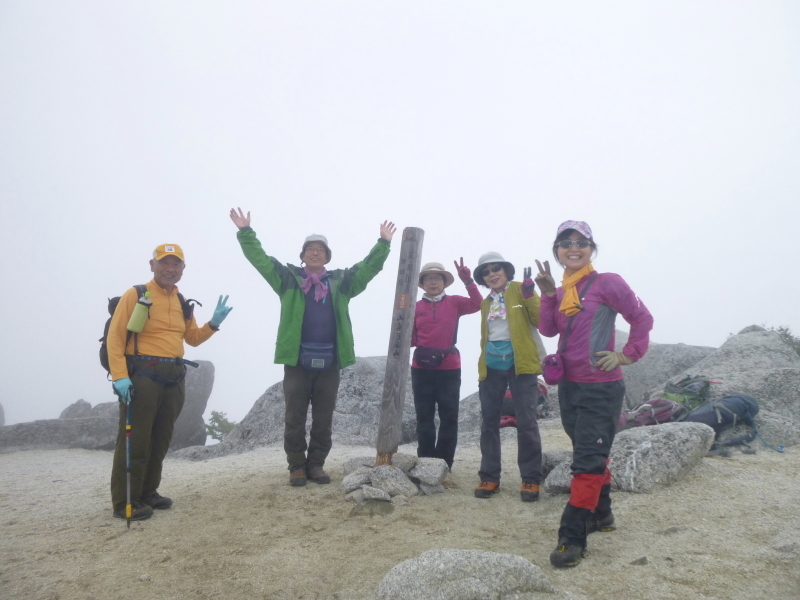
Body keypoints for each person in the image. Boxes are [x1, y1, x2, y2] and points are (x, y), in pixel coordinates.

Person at [230, 208, 395, 486]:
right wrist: (246, 232)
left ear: (327, 256)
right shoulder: (288, 278)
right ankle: (296, 466)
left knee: (323, 419)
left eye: (320, 250)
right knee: (294, 417)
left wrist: (383, 244)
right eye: (310, 249)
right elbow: (260, 261)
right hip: (296, 360)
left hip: (330, 362)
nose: (315, 253)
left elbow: (368, 269)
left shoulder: (341, 282)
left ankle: (316, 465)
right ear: (303, 255)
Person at [535, 220, 653, 568]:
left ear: (591, 248)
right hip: (571, 386)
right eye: (565, 242)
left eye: (581, 242)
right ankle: (602, 514)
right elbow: (548, 328)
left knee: (586, 460)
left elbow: (642, 318)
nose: (573, 247)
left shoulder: (608, 282)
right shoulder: (564, 289)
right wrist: (546, 294)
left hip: (601, 388)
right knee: (589, 452)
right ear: (557, 251)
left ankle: (572, 537)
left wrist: (627, 354)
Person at [107, 244, 232, 521]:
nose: (170, 268)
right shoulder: (136, 294)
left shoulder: (181, 301)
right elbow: (116, 338)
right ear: (152, 265)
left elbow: (192, 338)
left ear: (183, 270)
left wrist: (213, 323)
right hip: (142, 376)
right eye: (165, 263)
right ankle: (125, 502)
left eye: (176, 264)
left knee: (160, 439)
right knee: (136, 440)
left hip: (173, 377)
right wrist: (120, 376)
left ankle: (148, 491)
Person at [473, 251, 545, 502]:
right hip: (492, 366)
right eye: (486, 271)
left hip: (521, 364)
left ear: (506, 271)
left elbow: (539, 320)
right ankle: (490, 476)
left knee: (527, 421)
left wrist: (529, 294)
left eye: (496, 269)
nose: (492, 274)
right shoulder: (485, 303)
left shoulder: (519, 290)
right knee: (489, 423)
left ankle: (530, 479)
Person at [411, 259, 482, 469]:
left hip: (449, 367)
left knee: (449, 416)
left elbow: (479, 304)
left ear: (444, 282)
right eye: (428, 278)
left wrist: (468, 281)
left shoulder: (455, 302)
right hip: (421, 368)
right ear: (422, 284)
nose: (433, 282)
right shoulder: (415, 307)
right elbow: (410, 339)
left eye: (437, 278)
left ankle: (444, 464)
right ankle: (425, 462)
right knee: (424, 416)